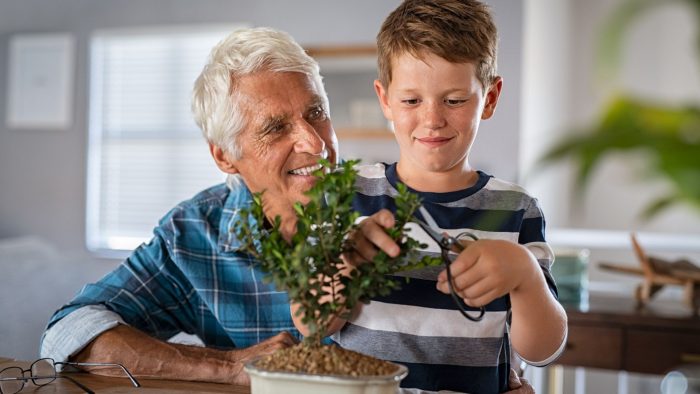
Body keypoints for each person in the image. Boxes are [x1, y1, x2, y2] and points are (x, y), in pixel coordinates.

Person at [292, 1, 567, 393]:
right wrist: (346, 262)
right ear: (385, 99)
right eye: (410, 100)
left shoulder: (516, 210)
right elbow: (311, 323)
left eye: (454, 100)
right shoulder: (343, 195)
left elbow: (544, 349)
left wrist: (526, 276)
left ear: (489, 98)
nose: (432, 119)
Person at [39, 27, 340, 385]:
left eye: (316, 112)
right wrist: (227, 366)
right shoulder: (194, 233)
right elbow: (68, 334)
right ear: (225, 156)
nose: (314, 142)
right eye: (275, 127)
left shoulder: (388, 205)